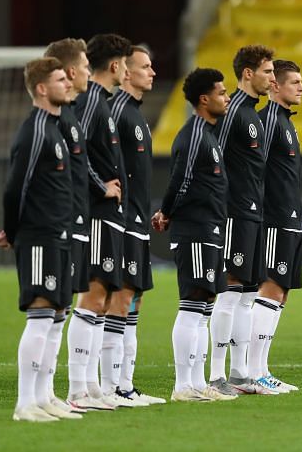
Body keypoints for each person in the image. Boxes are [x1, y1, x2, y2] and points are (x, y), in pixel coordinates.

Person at [0, 57, 77, 421]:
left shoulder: (55, 129)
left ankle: (44, 397)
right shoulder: (34, 132)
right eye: (61, 79)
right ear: (42, 88)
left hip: (58, 235)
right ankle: (24, 403)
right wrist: (13, 231)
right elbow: (16, 187)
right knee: (41, 312)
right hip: (39, 236)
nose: (68, 84)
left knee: (58, 313)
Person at [152, 68, 236, 402]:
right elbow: (180, 182)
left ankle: (198, 383)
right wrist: (167, 212)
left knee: (204, 306)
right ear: (204, 99)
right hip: (195, 230)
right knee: (192, 304)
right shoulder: (194, 136)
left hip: (209, 228)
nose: (226, 97)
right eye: (221, 92)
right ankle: (182, 386)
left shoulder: (208, 134)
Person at [66, 33, 133, 408]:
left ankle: (91, 386)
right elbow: (76, 148)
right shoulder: (91, 100)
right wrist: (99, 186)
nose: (126, 69)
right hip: (96, 214)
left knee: (104, 297)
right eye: (125, 63)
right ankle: (78, 388)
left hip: (109, 215)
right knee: (93, 294)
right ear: (115, 65)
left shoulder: (102, 101)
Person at [210, 45, 278, 395]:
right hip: (235, 212)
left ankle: (240, 373)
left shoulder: (255, 113)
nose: (273, 77)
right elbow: (215, 160)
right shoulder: (233, 110)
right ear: (248, 74)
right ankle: (217, 374)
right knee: (230, 290)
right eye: (267, 71)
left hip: (255, 212)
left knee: (249, 293)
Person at [107, 46, 166, 403]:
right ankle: (112, 385)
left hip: (138, 220)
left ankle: (125, 384)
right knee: (120, 297)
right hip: (122, 221)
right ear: (125, 72)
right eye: (145, 66)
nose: (153, 73)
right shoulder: (118, 113)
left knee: (135, 299)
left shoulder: (136, 115)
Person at [44, 38, 96, 412]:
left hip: (77, 221)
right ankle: (54, 393)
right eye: (85, 66)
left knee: (60, 310)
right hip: (57, 226)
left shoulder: (72, 115)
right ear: (72, 71)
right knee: (49, 310)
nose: (89, 73)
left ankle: (62, 392)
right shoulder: (53, 121)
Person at [249, 60, 302, 393]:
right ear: (275, 86)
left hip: (289, 218)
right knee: (270, 289)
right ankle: (254, 372)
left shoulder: (285, 122)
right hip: (273, 219)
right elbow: (256, 171)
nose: (301, 87)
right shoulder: (268, 121)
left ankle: (261, 368)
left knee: (280, 294)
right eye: (294, 82)